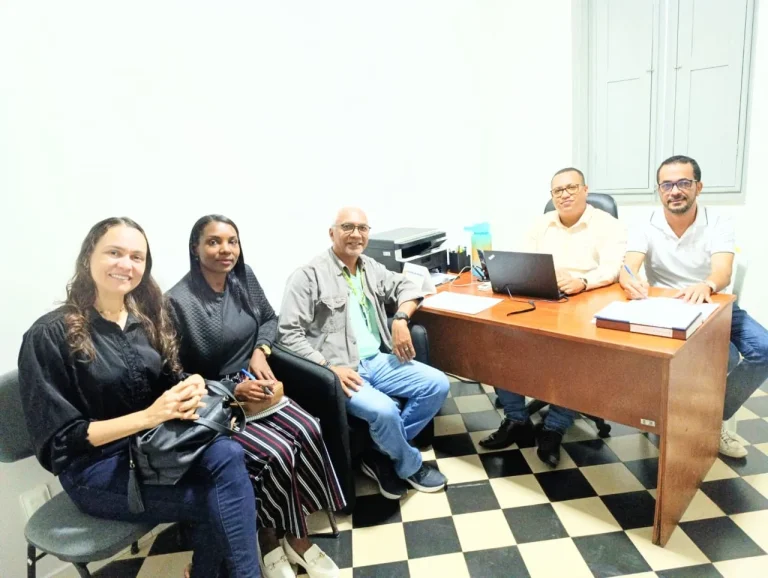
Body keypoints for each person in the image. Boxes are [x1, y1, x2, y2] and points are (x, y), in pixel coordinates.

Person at [17, 217, 260, 578]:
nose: (126, 264)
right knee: (221, 499)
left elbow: (167, 379)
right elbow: (61, 443)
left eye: (136, 257)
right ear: (88, 257)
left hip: (152, 446)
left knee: (229, 454)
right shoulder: (48, 335)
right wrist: (150, 416)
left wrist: (191, 383)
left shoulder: (144, 319)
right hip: (95, 470)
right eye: (114, 253)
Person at [166, 215, 345, 578]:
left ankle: (296, 537)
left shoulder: (243, 278)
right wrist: (231, 388)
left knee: (309, 428)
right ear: (195, 249)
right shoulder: (177, 302)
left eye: (232, 241)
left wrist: (260, 351)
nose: (225, 250)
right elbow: (174, 374)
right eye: (214, 242)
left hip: (255, 385)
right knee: (273, 452)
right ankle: (266, 539)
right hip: (214, 400)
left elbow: (269, 319)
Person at [277, 207, 450, 500]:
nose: (356, 234)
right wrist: (327, 368)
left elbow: (408, 286)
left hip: (378, 360)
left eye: (362, 228)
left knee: (437, 384)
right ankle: (410, 465)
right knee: (384, 410)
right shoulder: (308, 276)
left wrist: (400, 319)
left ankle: (379, 453)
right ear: (332, 233)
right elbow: (288, 334)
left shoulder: (370, 267)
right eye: (347, 227)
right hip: (341, 370)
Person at [620, 155, 768, 459]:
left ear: (698, 187)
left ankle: (711, 419)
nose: (675, 191)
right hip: (666, 308)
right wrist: (629, 279)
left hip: (712, 303)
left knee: (763, 349)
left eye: (683, 183)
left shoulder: (718, 221)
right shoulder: (645, 223)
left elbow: (723, 272)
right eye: (667, 185)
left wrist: (707, 285)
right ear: (659, 190)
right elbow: (628, 267)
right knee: (717, 357)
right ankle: (662, 413)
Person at [480, 167, 627, 467]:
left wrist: (582, 282)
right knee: (499, 341)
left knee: (574, 355)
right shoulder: (542, 223)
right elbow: (525, 260)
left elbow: (613, 268)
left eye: (571, 187)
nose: (565, 195)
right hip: (544, 300)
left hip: (587, 301)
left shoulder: (607, 225)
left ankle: (554, 428)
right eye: (558, 190)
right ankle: (516, 419)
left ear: (585, 190)